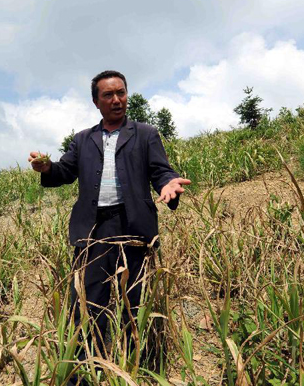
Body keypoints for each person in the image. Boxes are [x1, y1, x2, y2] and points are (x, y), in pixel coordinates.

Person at [29, 70, 190, 381]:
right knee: (86, 304)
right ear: (96, 102)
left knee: (135, 300)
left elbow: (161, 171)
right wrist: (47, 167)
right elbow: (64, 172)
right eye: (108, 95)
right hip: (93, 230)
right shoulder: (82, 140)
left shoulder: (145, 134)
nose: (117, 100)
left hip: (133, 226)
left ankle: (138, 370)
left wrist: (168, 184)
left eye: (121, 93)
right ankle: (83, 373)